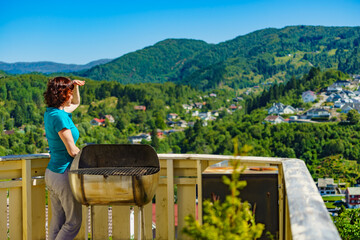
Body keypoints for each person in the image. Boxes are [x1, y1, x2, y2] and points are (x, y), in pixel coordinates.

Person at [43, 76, 85, 240]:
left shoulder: (52, 112)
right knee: (73, 222)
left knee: (58, 221)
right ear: (63, 94)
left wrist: (75, 87)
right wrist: (91, 157)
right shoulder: (60, 117)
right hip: (63, 175)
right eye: (69, 91)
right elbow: (73, 151)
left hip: (53, 173)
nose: (71, 95)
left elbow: (76, 103)